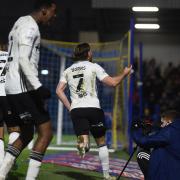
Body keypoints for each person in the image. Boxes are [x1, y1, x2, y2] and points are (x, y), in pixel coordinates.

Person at [56, 43, 132, 180]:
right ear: (88, 53)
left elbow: (58, 91)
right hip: (93, 108)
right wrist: (125, 73)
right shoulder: (94, 67)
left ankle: (83, 144)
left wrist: (70, 107)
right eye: (91, 51)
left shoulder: (67, 70)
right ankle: (106, 175)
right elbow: (113, 83)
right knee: (101, 142)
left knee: (84, 141)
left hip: (77, 110)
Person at [0, 1, 57, 180]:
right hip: (23, 87)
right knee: (46, 133)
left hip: (11, 87)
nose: (54, 16)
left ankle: (1, 174)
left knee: (26, 133)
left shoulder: (20, 21)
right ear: (44, 10)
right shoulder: (30, 28)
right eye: (53, 12)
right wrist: (38, 87)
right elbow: (24, 59)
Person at [132, 110, 180, 180]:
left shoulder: (171, 130)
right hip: (174, 166)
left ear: (169, 122)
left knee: (141, 155)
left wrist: (134, 129)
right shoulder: (176, 129)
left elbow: (144, 142)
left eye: (163, 122)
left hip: (171, 170)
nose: (161, 125)